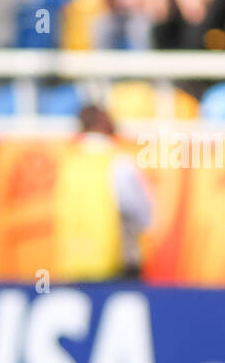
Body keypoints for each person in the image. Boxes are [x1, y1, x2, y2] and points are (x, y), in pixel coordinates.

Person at [57, 105, 153, 281]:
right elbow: (142, 214)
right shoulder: (119, 162)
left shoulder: (69, 163)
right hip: (116, 264)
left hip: (74, 264)